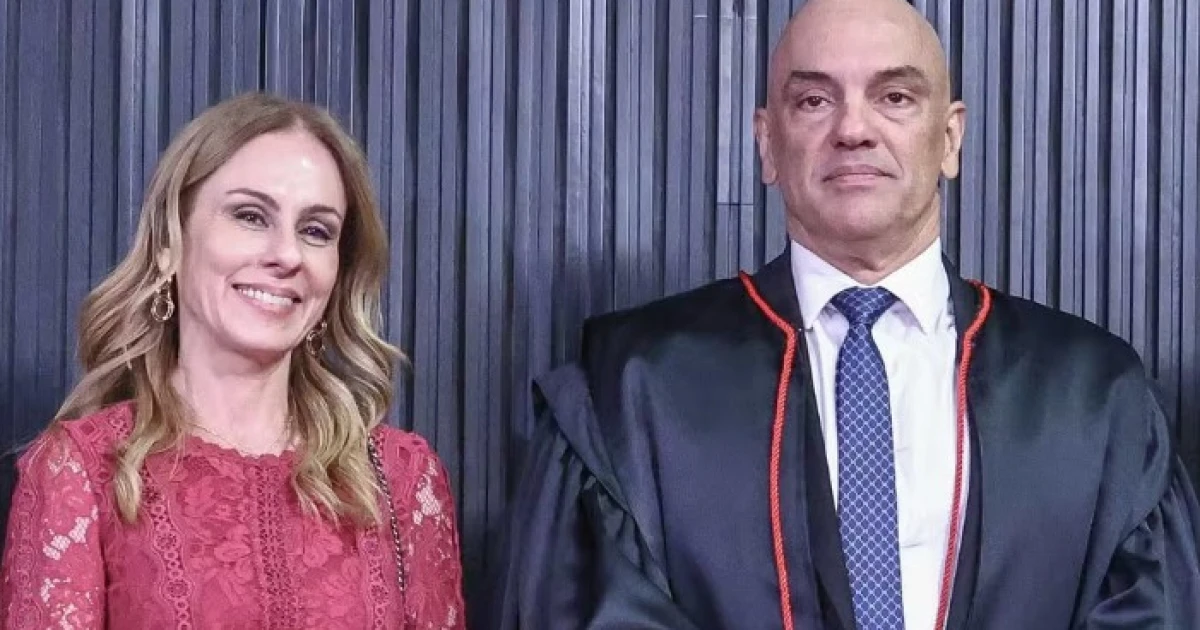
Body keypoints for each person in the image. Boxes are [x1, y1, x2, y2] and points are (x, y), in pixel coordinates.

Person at [486, 0, 1200, 628]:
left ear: (950, 138)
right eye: (813, 100)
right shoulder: (632, 389)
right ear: (767, 143)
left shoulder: (1094, 399)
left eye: (895, 96)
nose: (853, 128)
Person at [0, 92, 465, 628]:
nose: (287, 255)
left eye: (316, 231)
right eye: (250, 216)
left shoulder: (404, 477)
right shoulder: (82, 470)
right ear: (170, 243)